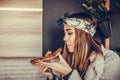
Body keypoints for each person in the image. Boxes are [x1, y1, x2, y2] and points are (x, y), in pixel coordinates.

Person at [36, 12, 120, 80]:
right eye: (65, 33)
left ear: (85, 35)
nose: (64, 38)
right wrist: (51, 77)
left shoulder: (111, 62)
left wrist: (68, 74)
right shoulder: (65, 58)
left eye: (70, 33)